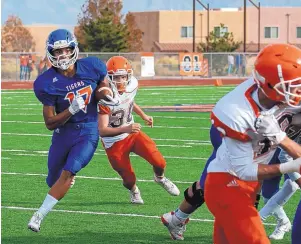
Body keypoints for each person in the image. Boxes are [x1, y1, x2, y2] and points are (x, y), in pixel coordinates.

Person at [161, 43, 301, 243]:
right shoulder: (236, 112)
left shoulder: (280, 91)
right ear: (269, 85)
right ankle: (178, 217)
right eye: (292, 86)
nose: (297, 91)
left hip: (253, 165)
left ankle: (178, 217)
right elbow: (246, 170)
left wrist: (281, 140)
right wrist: (287, 156)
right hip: (231, 175)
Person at [28, 29, 118, 232]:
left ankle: (39, 215)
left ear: (74, 49)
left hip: (88, 130)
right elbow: (50, 123)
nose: (62, 56)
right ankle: (63, 181)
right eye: (57, 52)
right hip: (63, 133)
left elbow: (102, 86)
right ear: (51, 53)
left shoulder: (92, 66)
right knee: (53, 178)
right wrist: (71, 110)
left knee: (69, 172)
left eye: (66, 50)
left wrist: (108, 95)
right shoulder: (45, 83)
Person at [98, 56, 180, 204]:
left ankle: (160, 178)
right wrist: (127, 128)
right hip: (114, 141)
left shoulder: (132, 85)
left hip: (132, 134)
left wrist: (143, 115)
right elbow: (102, 130)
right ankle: (134, 190)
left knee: (159, 161)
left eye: (123, 76)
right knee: (128, 179)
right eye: (116, 77)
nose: (120, 81)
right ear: (109, 77)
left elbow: (129, 101)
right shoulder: (104, 95)